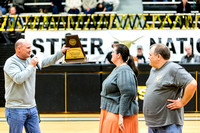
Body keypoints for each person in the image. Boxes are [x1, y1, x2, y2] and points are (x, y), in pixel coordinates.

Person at [4, 39, 68, 133]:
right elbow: (18, 79)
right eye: (28, 48)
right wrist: (31, 66)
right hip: (16, 108)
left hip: (32, 107)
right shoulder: (11, 63)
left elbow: (47, 61)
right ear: (19, 49)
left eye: (30, 48)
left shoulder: (30, 59)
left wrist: (61, 52)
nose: (30, 50)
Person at [143, 44, 197, 133]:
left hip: (169, 125)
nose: (148, 57)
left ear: (158, 56)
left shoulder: (173, 68)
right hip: (153, 124)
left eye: (150, 55)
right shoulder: (153, 69)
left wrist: (182, 102)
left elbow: (192, 83)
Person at [99, 44, 139, 133]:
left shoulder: (124, 70)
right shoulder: (118, 69)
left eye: (113, 52)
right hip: (111, 112)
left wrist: (121, 115)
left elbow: (128, 93)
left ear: (118, 55)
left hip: (118, 115)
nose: (111, 54)